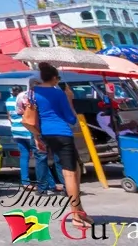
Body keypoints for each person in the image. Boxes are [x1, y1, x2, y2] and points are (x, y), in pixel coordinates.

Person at [30, 64, 92, 227]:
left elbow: (33, 116)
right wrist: (69, 99)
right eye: (58, 78)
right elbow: (71, 118)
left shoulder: (33, 92)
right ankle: (76, 216)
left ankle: (80, 210)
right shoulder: (58, 93)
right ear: (54, 78)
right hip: (62, 133)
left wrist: (37, 136)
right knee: (70, 174)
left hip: (46, 134)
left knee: (76, 168)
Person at [8, 83, 62, 193]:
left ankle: (28, 183)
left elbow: (17, 112)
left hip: (24, 130)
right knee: (47, 158)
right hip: (38, 130)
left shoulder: (18, 97)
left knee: (30, 157)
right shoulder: (46, 95)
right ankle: (54, 185)